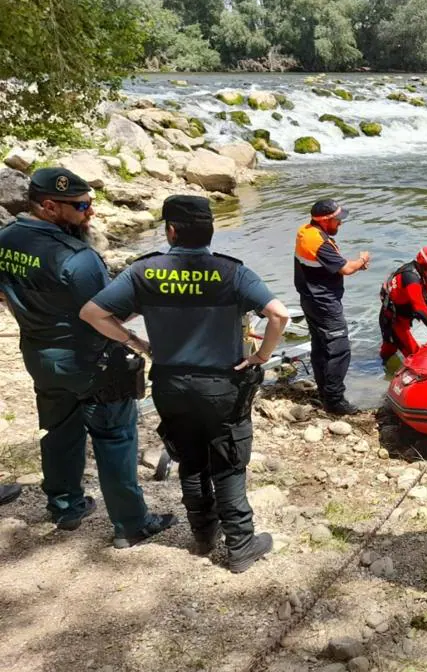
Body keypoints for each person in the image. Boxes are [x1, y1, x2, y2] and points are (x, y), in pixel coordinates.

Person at [80, 195, 291, 573]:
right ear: (211, 230)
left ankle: (202, 535)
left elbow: (92, 313)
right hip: (222, 386)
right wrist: (261, 356)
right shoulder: (232, 273)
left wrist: (135, 342)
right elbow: (278, 314)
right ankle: (241, 545)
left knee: (191, 461)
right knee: (227, 461)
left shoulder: (144, 271)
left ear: (171, 230)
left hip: (170, 383)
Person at [0, 167, 174, 546]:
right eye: (80, 206)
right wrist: (138, 335)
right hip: (91, 362)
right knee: (114, 438)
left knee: (59, 432)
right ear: (48, 206)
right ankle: (131, 524)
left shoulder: (5, 240)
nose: (89, 213)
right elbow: (104, 315)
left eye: (90, 203)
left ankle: (65, 506)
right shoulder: (77, 258)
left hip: (40, 355)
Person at [294, 199, 369, 415]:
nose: (341, 223)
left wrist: (352, 265)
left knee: (320, 346)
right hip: (324, 302)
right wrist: (361, 260)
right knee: (339, 349)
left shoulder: (306, 231)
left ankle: (324, 393)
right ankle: (335, 401)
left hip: (309, 298)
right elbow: (345, 269)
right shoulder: (319, 243)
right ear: (325, 221)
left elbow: (330, 265)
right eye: (337, 220)